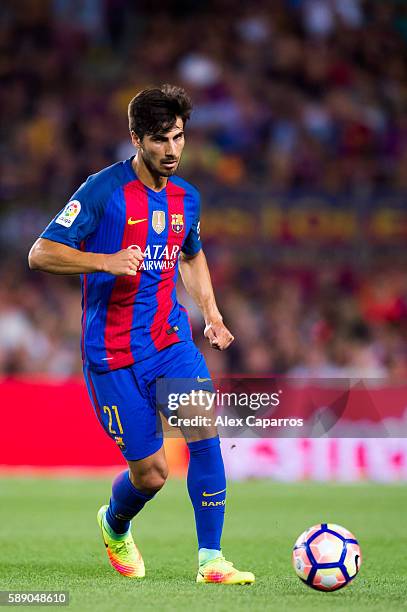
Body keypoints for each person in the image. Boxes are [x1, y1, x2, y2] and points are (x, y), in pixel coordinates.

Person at [28, 84, 255, 585]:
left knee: (203, 436)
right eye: (159, 140)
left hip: (170, 343)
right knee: (152, 473)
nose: (171, 150)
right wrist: (104, 261)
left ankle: (211, 560)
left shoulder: (186, 199)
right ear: (135, 138)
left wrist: (212, 315)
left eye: (178, 138)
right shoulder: (102, 191)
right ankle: (114, 524)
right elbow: (41, 253)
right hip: (110, 355)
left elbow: (191, 254)